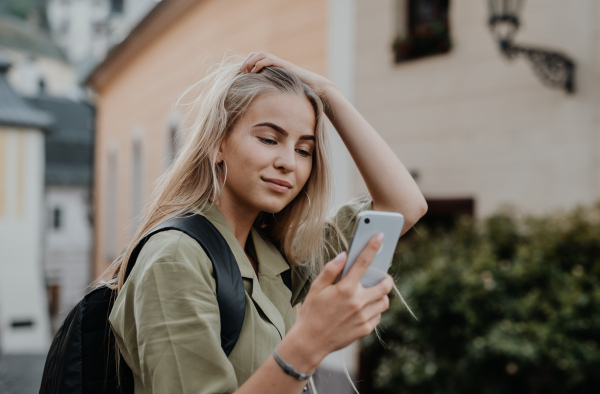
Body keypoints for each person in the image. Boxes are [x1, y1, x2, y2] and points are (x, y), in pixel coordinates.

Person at [100, 52, 428, 394]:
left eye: (304, 150)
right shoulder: (175, 257)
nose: (289, 162)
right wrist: (308, 344)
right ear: (217, 144)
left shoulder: (275, 250)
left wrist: (329, 93)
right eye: (269, 139)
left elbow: (404, 205)